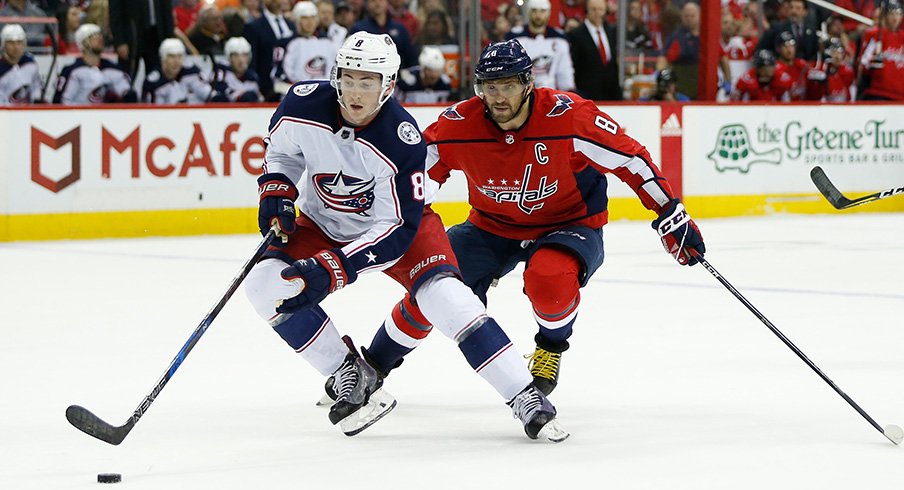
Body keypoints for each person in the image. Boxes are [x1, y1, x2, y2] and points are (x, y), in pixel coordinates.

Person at [243, 31, 569, 442]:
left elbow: (394, 230)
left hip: (400, 229)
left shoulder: (402, 140)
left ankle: (524, 396)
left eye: (368, 82)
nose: (354, 92)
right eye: (347, 78)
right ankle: (348, 371)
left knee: (448, 298)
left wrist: (337, 267)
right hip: (320, 222)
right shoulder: (301, 103)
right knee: (262, 284)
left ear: (389, 85)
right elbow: (283, 152)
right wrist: (277, 188)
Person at [361, 39, 705, 397]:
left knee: (549, 280)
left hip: (570, 224)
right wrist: (390, 210)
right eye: (489, 87)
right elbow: (418, 169)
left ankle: (549, 349)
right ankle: (373, 365)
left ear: (528, 83)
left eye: (508, 85)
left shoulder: (570, 116)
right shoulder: (460, 124)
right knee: (435, 287)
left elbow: (631, 160)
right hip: (489, 226)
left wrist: (669, 212)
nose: (497, 97)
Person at [52, 24, 137, 104]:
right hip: (78, 117)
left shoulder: (114, 69)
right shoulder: (71, 71)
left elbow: (130, 96)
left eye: (100, 35)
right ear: (84, 42)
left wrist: (126, 94)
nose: (100, 38)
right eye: (94, 36)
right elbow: (60, 102)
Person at [506, 0, 575, 92]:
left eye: (542, 11)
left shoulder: (560, 39)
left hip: (551, 95)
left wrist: (569, 92)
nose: (538, 15)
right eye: (534, 10)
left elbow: (565, 74)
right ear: (528, 12)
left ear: (549, 13)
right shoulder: (514, 38)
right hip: (523, 94)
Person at [272, 1, 336, 93]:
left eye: (312, 18)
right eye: (305, 18)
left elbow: (333, 69)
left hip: (323, 92)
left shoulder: (328, 41)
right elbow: (278, 73)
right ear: (297, 20)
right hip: (295, 92)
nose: (309, 22)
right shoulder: (285, 43)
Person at [567, 0, 621, 101]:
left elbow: (613, 64)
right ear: (587, 10)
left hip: (610, 96)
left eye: (600, 9)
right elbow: (573, 66)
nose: (597, 13)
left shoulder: (611, 31)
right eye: (593, 9)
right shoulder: (576, 35)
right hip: (587, 97)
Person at [108, 0, 175, 79]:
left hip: (156, 36)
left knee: (156, 76)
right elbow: (115, 13)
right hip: (131, 36)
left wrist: (170, 41)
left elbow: (167, 11)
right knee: (128, 76)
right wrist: (119, 41)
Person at [244, 0, 296, 99]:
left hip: (291, 86)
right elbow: (252, 60)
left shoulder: (291, 25)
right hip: (267, 89)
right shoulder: (253, 27)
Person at [141, 38, 212, 103]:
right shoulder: (153, 82)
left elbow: (210, 95)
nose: (176, 61)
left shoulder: (191, 72)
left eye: (179, 56)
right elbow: (149, 111)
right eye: (172, 56)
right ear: (163, 59)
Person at [858, 0, 904, 100]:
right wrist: (871, 63)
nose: (895, 18)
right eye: (891, 14)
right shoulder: (874, 34)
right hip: (878, 92)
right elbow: (863, 62)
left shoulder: (902, 37)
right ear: (885, 16)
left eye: (898, 14)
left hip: (900, 95)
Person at [0, 24, 43, 104]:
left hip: (29, 113)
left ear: (24, 44)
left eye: (19, 42)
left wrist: (37, 102)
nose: (16, 47)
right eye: (11, 43)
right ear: (3, 44)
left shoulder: (30, 63)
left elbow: (36, 87)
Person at [211, 36, 263, 102]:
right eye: (236, 55)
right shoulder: (220, 74)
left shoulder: (253, 78)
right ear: (229, 58)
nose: (240, 60)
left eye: (244, 55)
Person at [805, 37, 855, 102]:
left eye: (839, 52)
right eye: (834, 52)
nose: (837, 56)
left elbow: (849, 95)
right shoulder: (819, 68)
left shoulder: (847, 71)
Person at [774, 31, 808, 100]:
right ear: (778, 48)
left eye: (792, 45)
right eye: (785, 46)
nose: (789, 49)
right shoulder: (774, 68)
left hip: (803, 105)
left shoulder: (802, 65)